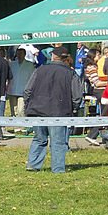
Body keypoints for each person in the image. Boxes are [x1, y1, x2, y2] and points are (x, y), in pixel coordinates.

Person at [23, 45, 80, 174]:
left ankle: (33, 164)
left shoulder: (40, 70)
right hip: (58, 111)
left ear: (53, 56)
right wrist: (74, 109)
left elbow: (27, 90)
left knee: (39, 138)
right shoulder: (71, 73)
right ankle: (58, 169)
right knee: (58, 141)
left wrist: (28, 106)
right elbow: (76, 96)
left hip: (37, 110)